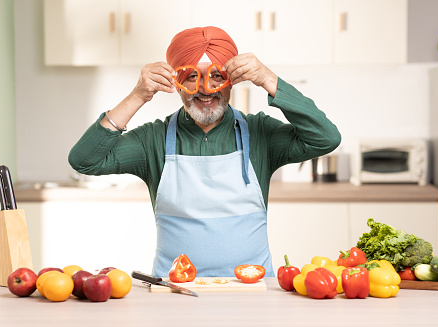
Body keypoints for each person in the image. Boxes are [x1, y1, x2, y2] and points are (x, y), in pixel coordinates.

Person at [69, 26, 341, 278]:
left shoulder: (261, 133)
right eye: (191, 77)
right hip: (175, 292)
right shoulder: (153, 139)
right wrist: (138, 95)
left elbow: (326, 138)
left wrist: (268, 78)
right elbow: (84, 160)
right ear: (176, 83)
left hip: (254, 291)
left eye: (216, 76)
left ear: (232, 81)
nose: (205, 89)